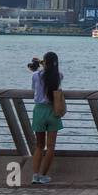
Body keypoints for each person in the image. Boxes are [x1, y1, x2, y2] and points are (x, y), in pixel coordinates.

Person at [27, 52, 63, 183]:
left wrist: (39, 64)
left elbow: (33, 90)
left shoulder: (36, 75)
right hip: (53, 111)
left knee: (39, 145)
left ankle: (35, 175)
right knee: (51, 146)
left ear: (45, 62)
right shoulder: (59, 76)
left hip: (39, 111)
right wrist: (45, 63)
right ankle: (43, 176)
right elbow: (52, 72)